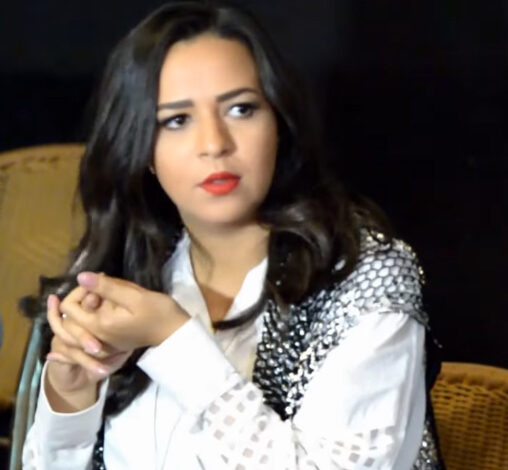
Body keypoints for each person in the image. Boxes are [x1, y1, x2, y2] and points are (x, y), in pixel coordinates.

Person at [21, 2, 445, 469]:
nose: (214, 144)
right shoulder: (129, 271)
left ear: (278, 122)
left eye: (241, 109)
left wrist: (173, 340)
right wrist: (71, 399)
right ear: (142, 148)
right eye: (177, 120)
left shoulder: (362, 276)